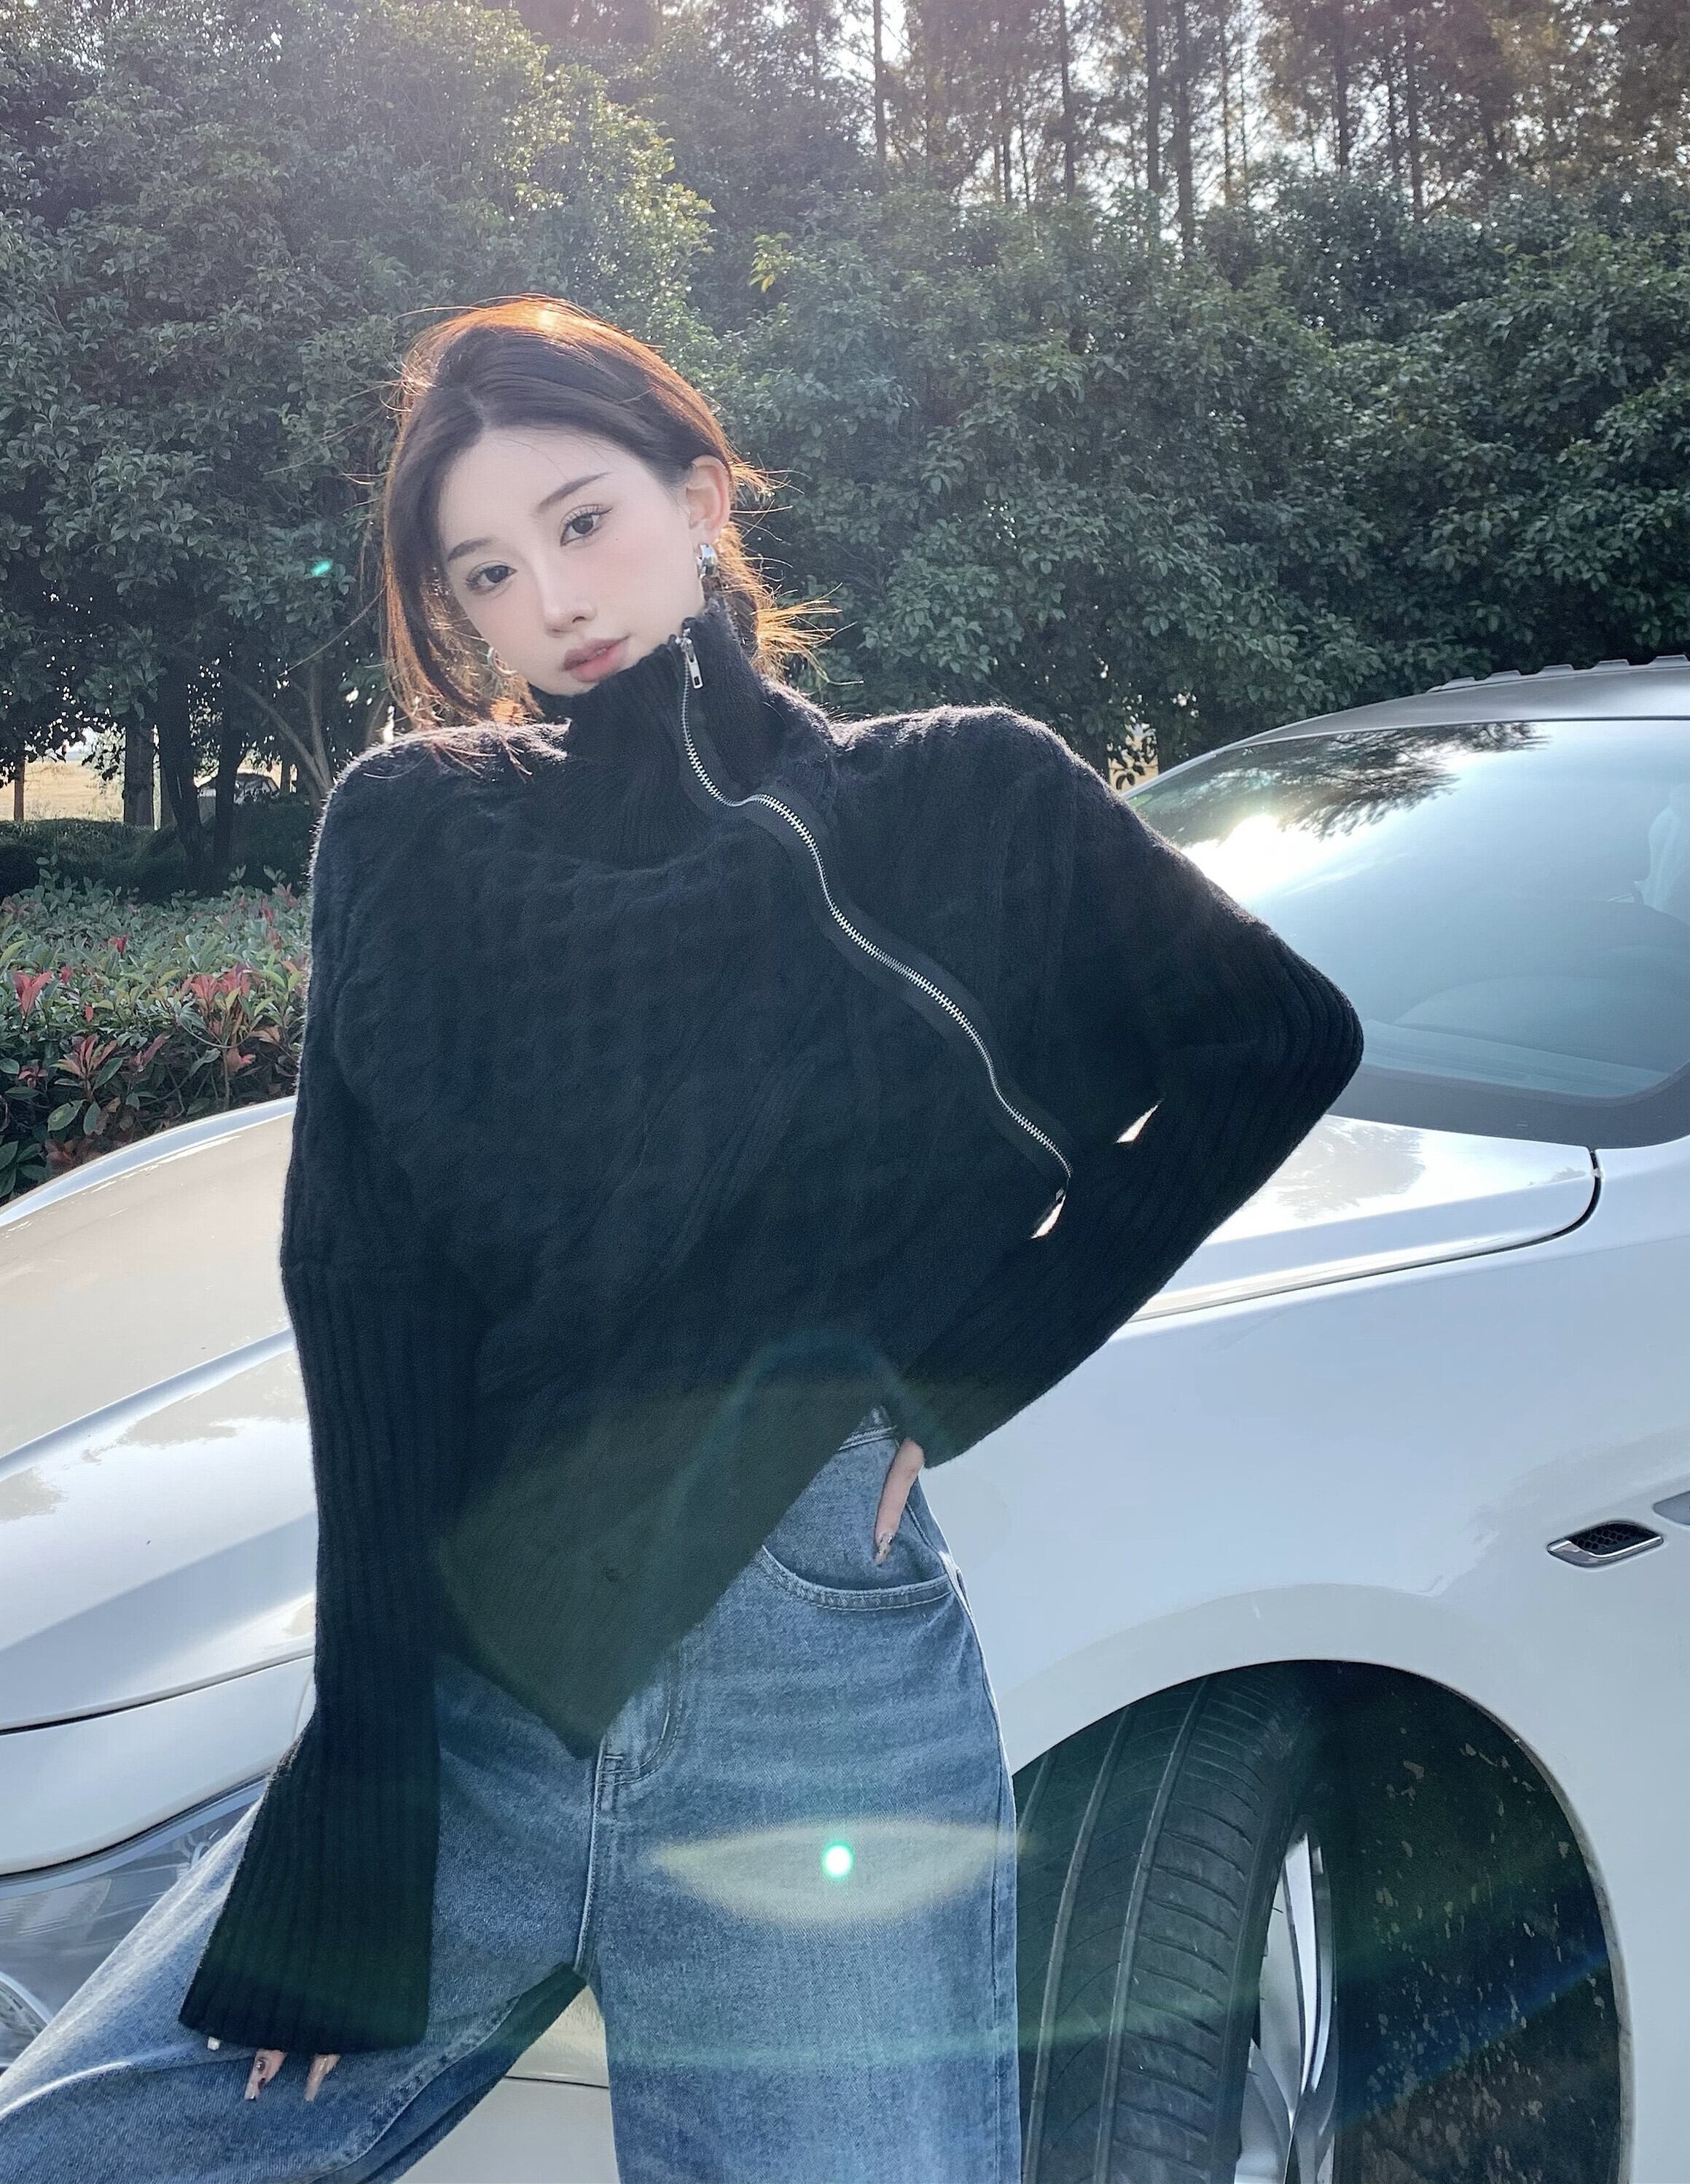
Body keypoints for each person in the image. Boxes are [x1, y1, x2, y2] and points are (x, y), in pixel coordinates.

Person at [0, 294, 1364, 2183]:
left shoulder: (958, 795)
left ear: (700, 499)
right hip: (481, 1676)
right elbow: (368, 1297)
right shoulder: (416, 831)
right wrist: (359, 1778)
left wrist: (966, 1378)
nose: (554, 598)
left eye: (585, 521)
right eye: (487, 572)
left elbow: (1276, 1041)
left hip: (812, 1681)